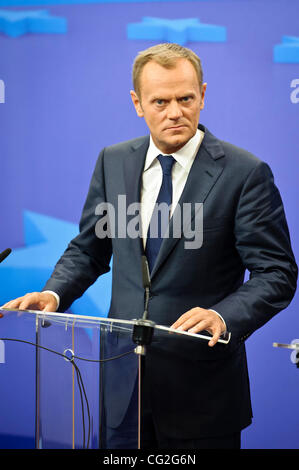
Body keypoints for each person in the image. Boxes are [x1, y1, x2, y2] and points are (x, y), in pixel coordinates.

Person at [2, 43, 297, 449]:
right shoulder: (114, 161)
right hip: (122, 387)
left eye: (185, 99)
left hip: (202, 392)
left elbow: (276, 272)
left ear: (203, 95)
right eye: (160, 101)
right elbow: (90, 247)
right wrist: (55, 292)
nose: (175, 112)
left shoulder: (245, 173)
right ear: (137, 103)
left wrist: (222, 315)